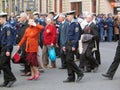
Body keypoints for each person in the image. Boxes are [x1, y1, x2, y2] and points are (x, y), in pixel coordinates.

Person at [18, 14, 44, 80]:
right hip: (28, 47)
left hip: (34, 47)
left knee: (33, 61)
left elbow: (42, 28)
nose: (30, 23)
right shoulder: (27, 29)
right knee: (29, 62)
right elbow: (24, 38)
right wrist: (19, 45)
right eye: (29, 21)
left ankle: (37, 72)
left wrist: (35, 24)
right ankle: (32, 74)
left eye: (32, 21)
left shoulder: (36, 28)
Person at [62, 10, 84, 83]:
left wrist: (74, 45)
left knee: (69, 60)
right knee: (68, 61)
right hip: (68, 43)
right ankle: (71, 76)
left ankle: (79, 73)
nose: (67, 17)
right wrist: (64, 45)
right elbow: (68, 36)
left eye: (68, 16)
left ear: (71, 16)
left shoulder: (76, 24)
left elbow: (77, 36)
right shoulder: (69, 24)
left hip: (72, 44)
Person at [0, 12, 16, 87]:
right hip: (3, 47)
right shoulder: (3, 26)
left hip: (7, 47)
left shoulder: (8, 27)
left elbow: (9, 39)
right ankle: (7, 80)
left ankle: (12, 78)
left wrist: (8, 50)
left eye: (0, 19)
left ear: (3, 18)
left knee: (2, 63)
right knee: (6, 64)